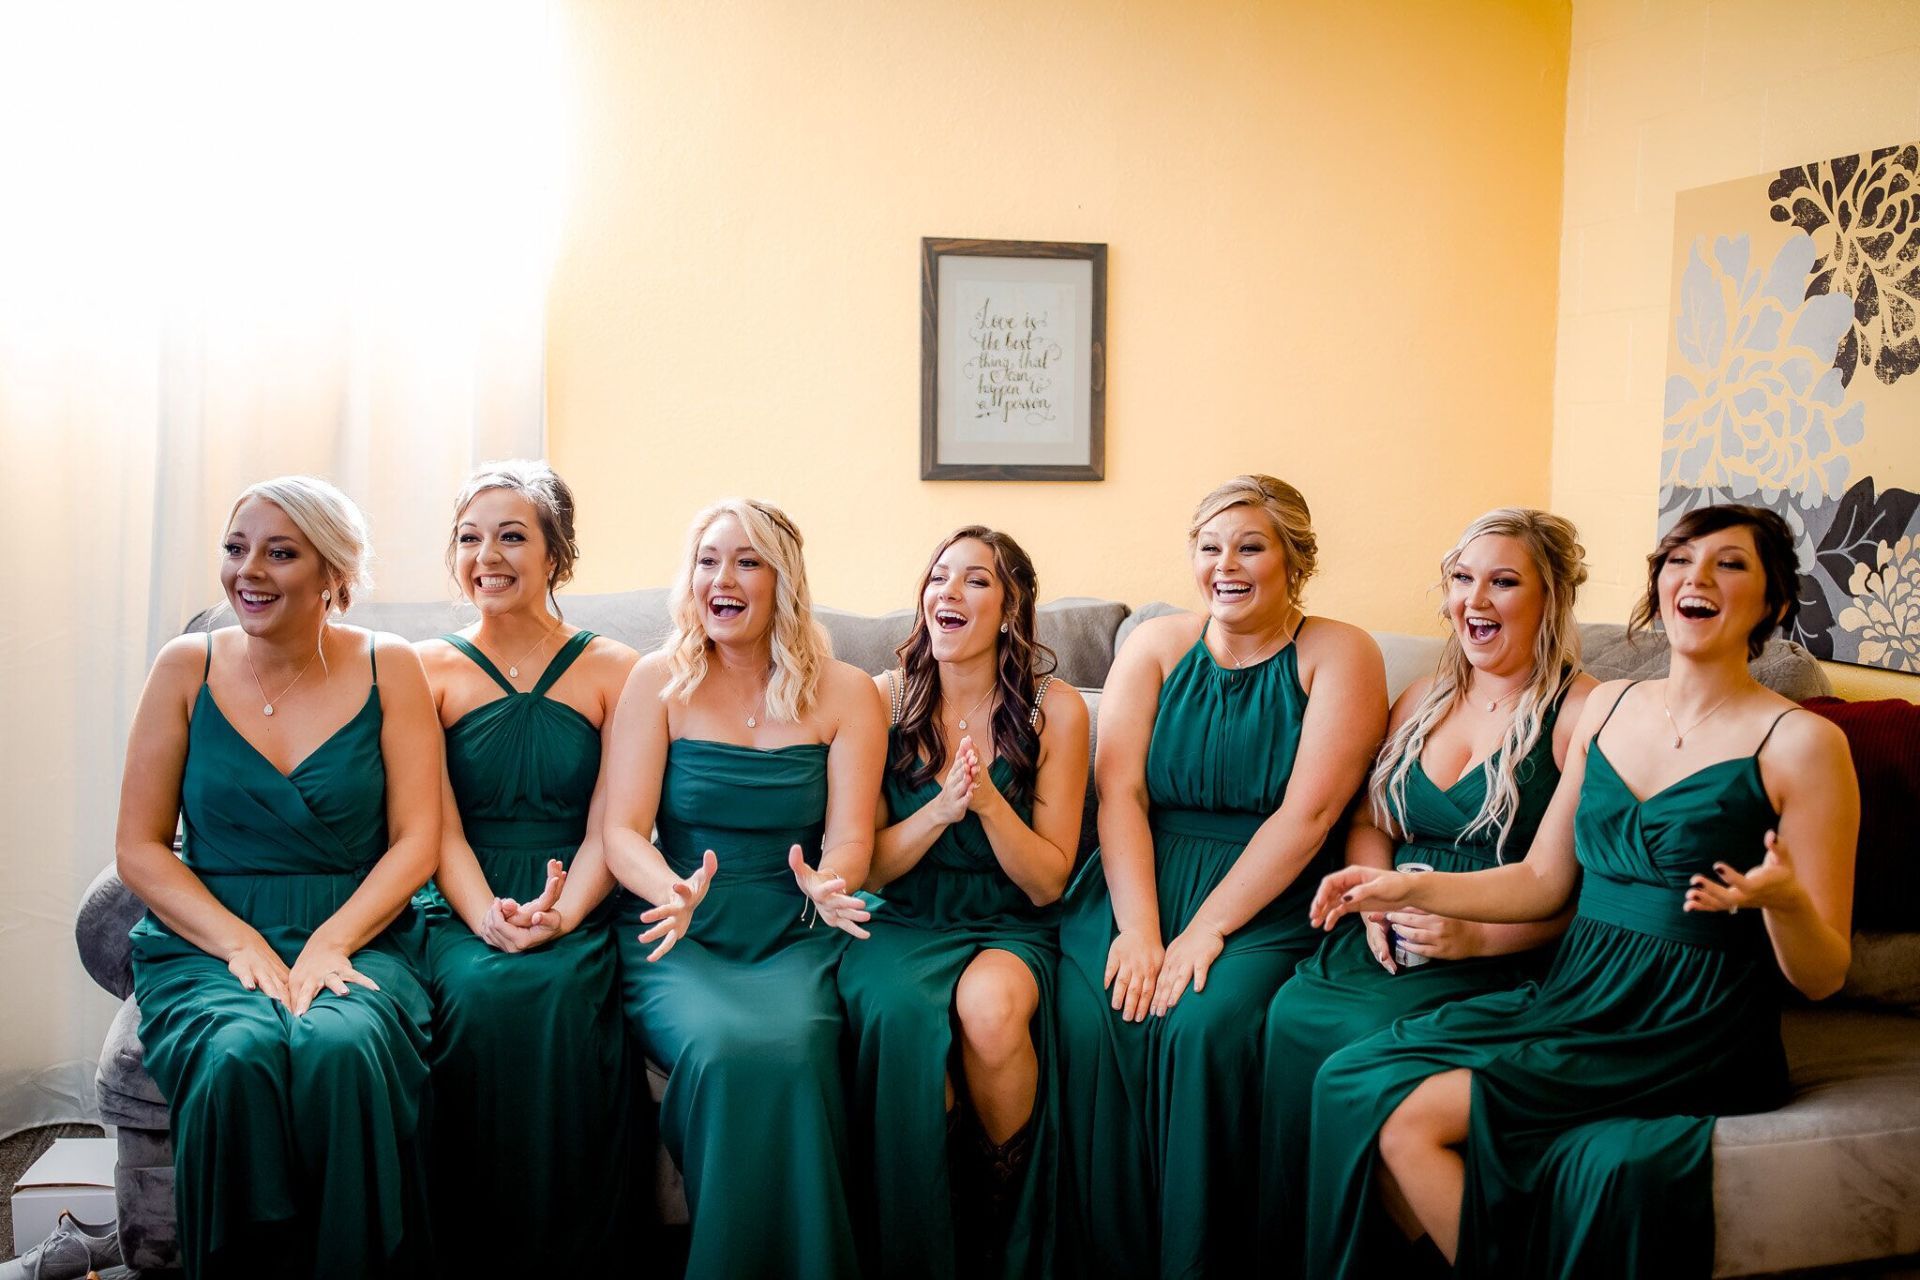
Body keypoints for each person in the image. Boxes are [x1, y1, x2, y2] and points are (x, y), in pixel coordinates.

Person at [1307, 503, 1859, 1278]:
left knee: (1408, 1125)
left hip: (1690, 1021)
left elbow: (1824, 974)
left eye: (1728, 564)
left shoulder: (1803, 743)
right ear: (1658, 585)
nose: (1696, 578)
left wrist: (1784, 903)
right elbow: (1539, 881)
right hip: (1580, 992)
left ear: (1770, 603)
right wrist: (1400, 886)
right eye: (1678, 560)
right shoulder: (1610, 706)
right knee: (1350, 1080)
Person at [1054, 474, 1388, 1277]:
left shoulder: (1340, 652)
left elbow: (1308, 818)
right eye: (1210, 547)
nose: (1225, 565)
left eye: (1250, 546)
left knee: (1205, 1020)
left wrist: (1206, 929)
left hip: (1266, 892)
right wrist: (1140, 929)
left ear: (1292, 560)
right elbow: (1120, 791)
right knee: (1092, 1009)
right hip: (1137, 876)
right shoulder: (1156, 646)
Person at [117, 476, 442, 1279]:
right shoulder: (184, 667)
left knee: (342, 1048)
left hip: (358, 928)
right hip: (211, 936)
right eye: (236, 548)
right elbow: (140, 847)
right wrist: (238, 943)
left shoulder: (389, 666)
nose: (248, 571)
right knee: (236, 1053)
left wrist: (333, 943)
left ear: (332, 573)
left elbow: (416, 841)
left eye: (280, 553)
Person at [1257, 508, 1594, 1270]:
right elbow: (1371, 817)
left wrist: (1474, 933)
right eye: (1462, 580)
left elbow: (1572, 891)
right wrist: (1376, 888)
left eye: (1503, 582)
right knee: (1290, 1013)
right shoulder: (1421, 700)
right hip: (1382, 937)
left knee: (1358, 1048)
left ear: (1549, 598)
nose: (1475, 600)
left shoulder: (1578, 714)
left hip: (1496, 948)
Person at [603, 497, 886, 1278]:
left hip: (796, 929)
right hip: (680, 929)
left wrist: (833, 884)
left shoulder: (848, 692)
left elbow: (852, 838)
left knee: (794, 1050)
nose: (721, 579)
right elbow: (622, 831)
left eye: (746, 561)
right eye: (707, 560)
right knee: (725, 1050)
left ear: (783, 582)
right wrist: (669, 889)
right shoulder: (655, 681)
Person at [837, 526, 1089, 1277]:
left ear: (1012, 610)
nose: (948, 592)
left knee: (990, 1012)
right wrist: (939, 811)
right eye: (938, 577)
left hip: (1011, 918)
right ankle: (919, 1237)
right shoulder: (878, 699)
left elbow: (1048, 879)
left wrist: (985, 804)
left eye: (975, 581)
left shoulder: (1056, 709)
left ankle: (998, 1230)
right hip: (904, 915)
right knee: (905, 1021)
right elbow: (866, 870)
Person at [412, 461, 641, 1275]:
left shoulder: (616, 669)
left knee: (563, 993)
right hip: (462, 894)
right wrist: (484, 918)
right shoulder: (423, 669)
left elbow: (613, 827)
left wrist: (562, 915)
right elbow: (432, 829)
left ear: (557, 555)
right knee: (477, 994)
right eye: (470, 538)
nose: (488, 556)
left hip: (577, 890)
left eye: (513, 536)